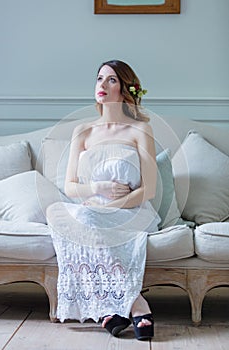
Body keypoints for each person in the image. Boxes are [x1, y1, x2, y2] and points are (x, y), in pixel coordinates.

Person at [46, 59, 160, 341]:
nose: (103, 85)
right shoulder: (82, 132)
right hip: (91, 209)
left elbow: (150, 190)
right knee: (61, 214)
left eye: (112, 80)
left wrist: (112, 205)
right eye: (99, 79)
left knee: (84, 220)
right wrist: (98, 187)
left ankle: (115, 308)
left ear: (125, 88)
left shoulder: (140, 130)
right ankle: (134, 304)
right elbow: (70, 186)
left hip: (130, 211)